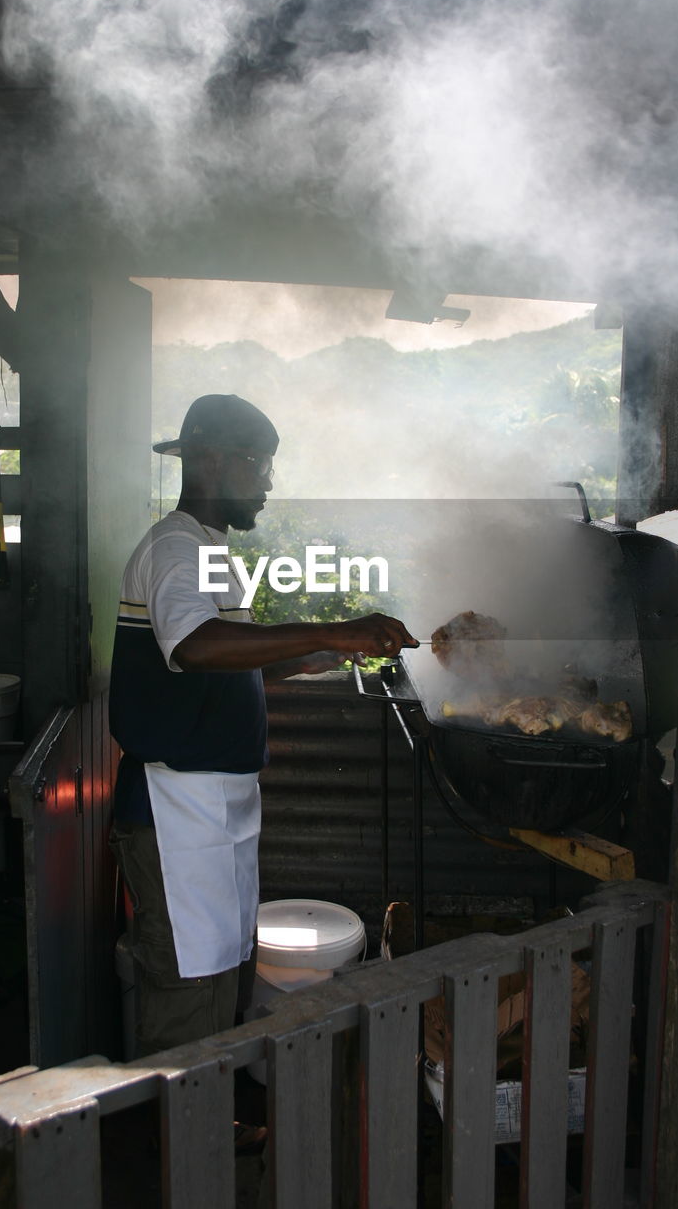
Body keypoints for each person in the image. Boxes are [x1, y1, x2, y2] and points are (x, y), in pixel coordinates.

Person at [108, 393, 418, 1059]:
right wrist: (333, 627)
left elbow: (220, 664)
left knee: (221, 972)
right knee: (187, 985)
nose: (270, 484)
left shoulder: (209, 549)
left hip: (213, 808)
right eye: (260, 465)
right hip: (174, 807)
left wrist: (316, 657)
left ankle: (210, 1129)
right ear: (214, 461)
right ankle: (181, 1148)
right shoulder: (174, 546)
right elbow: (192, 647)